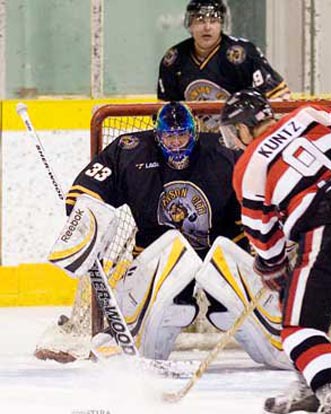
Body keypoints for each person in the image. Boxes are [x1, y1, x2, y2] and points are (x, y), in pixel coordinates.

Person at [58, 101, 291, 370]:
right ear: (158, 136)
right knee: (175, 310)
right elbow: (86, 190)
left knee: (227, 313)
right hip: (159, 257)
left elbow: (265, 189)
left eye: (182, 135)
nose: (177, 143)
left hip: (222, 254)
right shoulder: (129, 151)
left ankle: (278, 340)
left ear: (194, 133)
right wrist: (85, 222)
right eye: (170, 136)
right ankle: (136, 338)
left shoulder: (223, 151)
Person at [219, 88, 331, 414]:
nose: (234, 140)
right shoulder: (310, 114)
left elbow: (262, 234)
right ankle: (310, 385)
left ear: (246, 129)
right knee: (302, 303)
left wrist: (272, 266)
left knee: (297, 325)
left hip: (329, 228)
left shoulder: (249, 165)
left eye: (234, 132)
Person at [157, 0, 290, 131]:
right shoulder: (174, 60)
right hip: (198, 143)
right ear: (189, 25)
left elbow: (280, 96)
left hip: (240, 140)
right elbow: (165, 112)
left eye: (214, 21)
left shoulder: (244, 54)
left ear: (222, 24)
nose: (207, 27)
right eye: (200, 20)